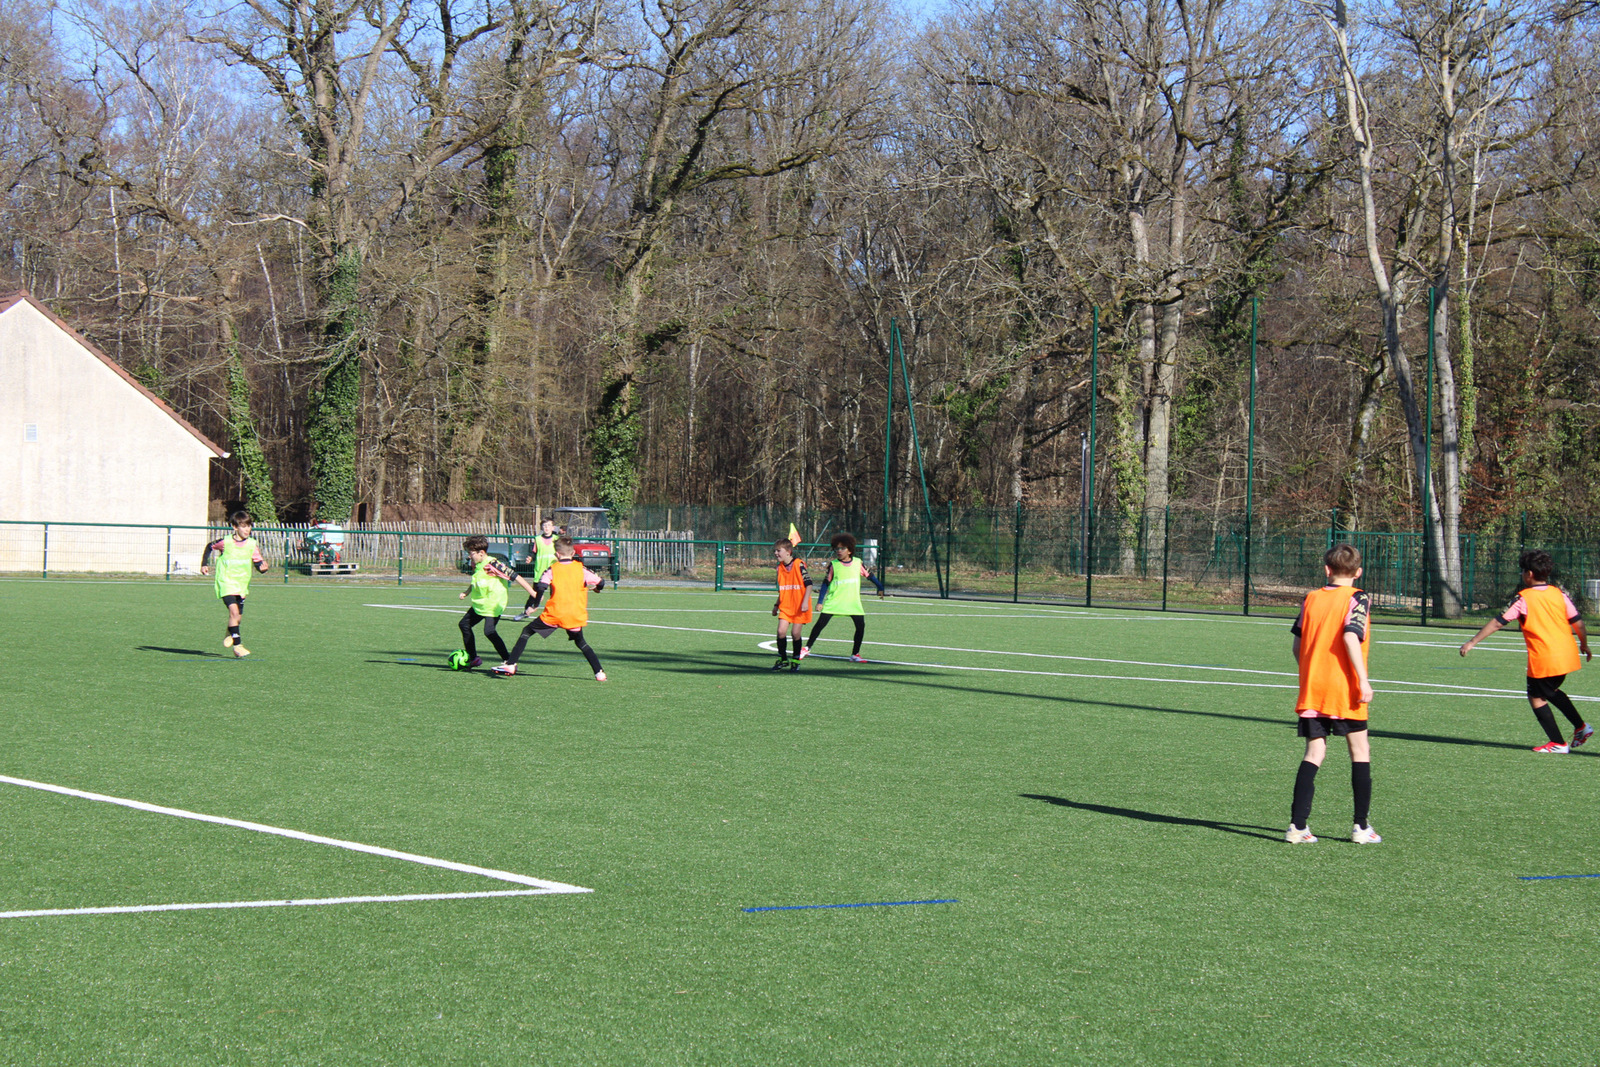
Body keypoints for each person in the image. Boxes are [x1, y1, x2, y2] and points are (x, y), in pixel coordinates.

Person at [1286, 544, 1379, 844]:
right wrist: (1363, 681)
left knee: (1314, 754)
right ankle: (1360, 827)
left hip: (1313, 690)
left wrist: (1312, 673)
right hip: (1344, 689)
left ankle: (1297, 827)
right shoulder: (1358, 597)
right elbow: (1351, 636)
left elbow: (1297, 645)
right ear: (1358, 572)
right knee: (1360, 752)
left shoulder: (1311, 598)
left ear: (1327, 569)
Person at [1460, 549, 1593, 753]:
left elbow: (1498, 622)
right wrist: (1584, 644)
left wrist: (1472, 642)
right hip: (1566, 653)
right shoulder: (1559, 594)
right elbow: (1578, 622)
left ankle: (1561, 741)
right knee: (1547, 692)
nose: (1522, 574)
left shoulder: (1524, 599)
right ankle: (1579, 728)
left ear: (1529, 574)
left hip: (1545, 657)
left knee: (1538, 695)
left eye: (1522, 571)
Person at [495, 537, 608, 680]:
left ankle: (511, 664)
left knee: (527, 632)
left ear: (557, 554)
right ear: (573, 553)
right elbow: (601, 582)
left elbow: (541, 587)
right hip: (574, 615)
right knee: (581, 642)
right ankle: (599, 673)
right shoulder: (581, 569)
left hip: (554, 614)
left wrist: (534, 605)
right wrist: (597, 589)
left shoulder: (552, 569)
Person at [799, 533, 885, 664]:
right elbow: (826, 583)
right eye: (837, 548)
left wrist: (880, 587)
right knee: (820, 624)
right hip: (835, 601)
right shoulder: (834, 565)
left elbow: (870, 576)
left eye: (842, 548)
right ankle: (806, 648)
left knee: (860, 626)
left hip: (852, 602)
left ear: (850, 550)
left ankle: (855, 654)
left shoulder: (858, 563)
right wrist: (820, 602)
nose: (839, 551)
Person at [458, 535, 538, 670]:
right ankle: (474, 658)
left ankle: (509, 661)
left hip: (493, 604)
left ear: (481, 553)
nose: (469, 556)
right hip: (481, 604)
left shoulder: (494, 564)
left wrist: (534, 594)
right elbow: (476, 581)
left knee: (489, 631)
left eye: (471, 553)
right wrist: (466, 592)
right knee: (464, 625)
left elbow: (516, 576)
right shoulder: (477, 564)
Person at [200, 509, 271, 658]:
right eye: (243, 526)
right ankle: (238, 646)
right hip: (226, 582)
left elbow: (258, 563)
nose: (247, 529)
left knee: (237, 617)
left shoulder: (252, 544)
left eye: (249, 526)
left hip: (241, 585)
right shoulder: (225, 542)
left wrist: (263, 569)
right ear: (235, 527)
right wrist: (204, 564)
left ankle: (230, 632)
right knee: (234, 612)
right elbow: (209, 547)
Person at [771, 539, 813, 671]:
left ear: (788, 552)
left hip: (799, 606)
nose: (776, 553)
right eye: (775, 550)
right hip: (786, 606)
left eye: (779, 550)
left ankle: (795, 659)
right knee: (781, 632)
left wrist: (805, 602)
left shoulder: (799, 565)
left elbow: (809, 585)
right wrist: (776, 605)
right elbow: (783, 590)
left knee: (795, 633)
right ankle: (783, 658)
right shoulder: (780, 568)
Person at [514, 518, 560, 620]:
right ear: (542, 527)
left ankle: (555, 614)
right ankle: (526, 612)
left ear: (553, 527)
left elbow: (561, 551)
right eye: (544, 525)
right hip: (540, 571)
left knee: (555, 594)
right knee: (534, 594)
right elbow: (533, 552)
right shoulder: (538, 539)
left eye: (549, 525)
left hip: (554, 571)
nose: (546, 527)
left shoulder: (557, 539)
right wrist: (530, 558)